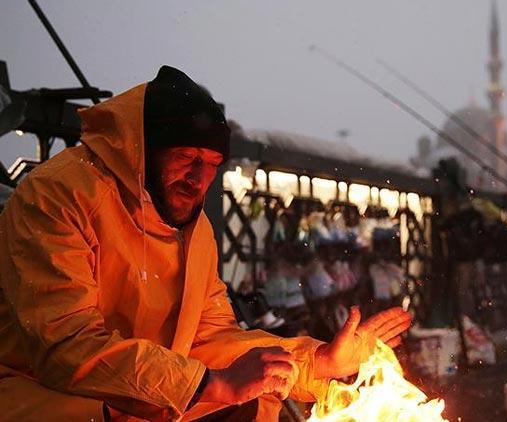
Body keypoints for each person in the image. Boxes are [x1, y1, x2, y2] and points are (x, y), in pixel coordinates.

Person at [0, 66, 412, 421]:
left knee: (258, 395)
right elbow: (66, 345)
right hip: (49, 400)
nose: (198, 179)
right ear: (145, 151)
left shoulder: (193, 231)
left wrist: (318, 362)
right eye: (185, 158)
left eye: (212, 165)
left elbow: (211, 337)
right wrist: (210, 384)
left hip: (145, 398)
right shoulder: (59, 195)